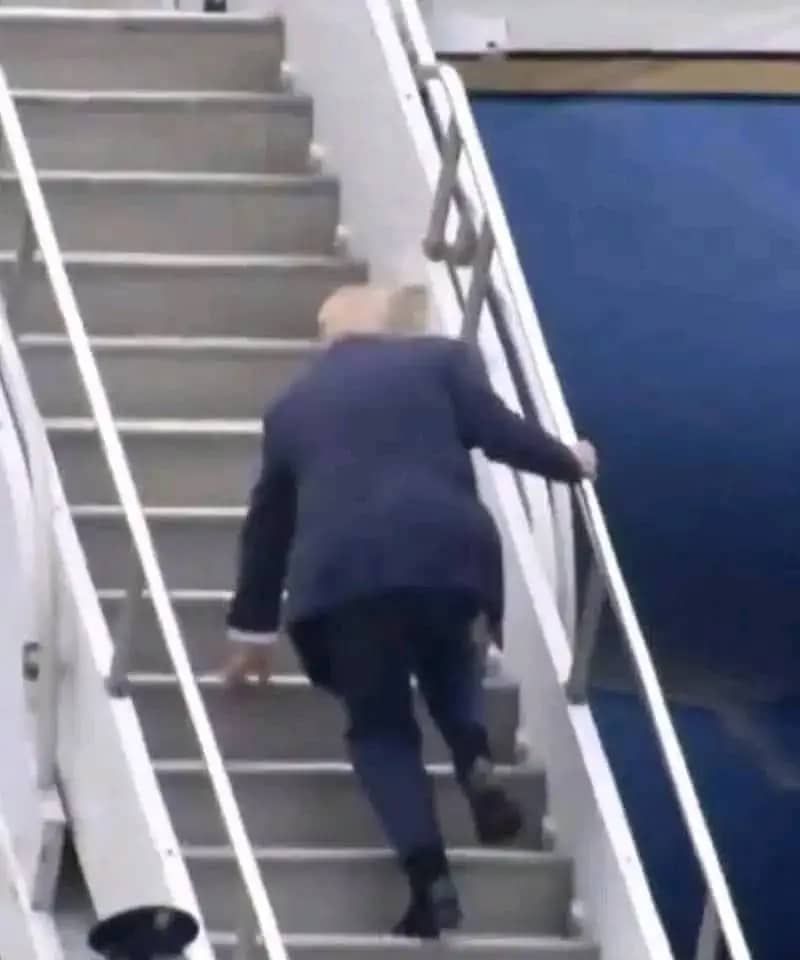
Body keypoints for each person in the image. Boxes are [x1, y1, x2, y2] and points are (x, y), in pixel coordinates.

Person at [223, 285, 597, 938]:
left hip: (343, 580)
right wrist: (570, 462)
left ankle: (431, 884)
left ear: (326, 334)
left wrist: (252, 631)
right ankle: (474, 760)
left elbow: (268, 527)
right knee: (453, 658)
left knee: (381, 731)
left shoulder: (290, 409)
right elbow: (499, 433)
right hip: (446, 555)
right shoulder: (441, 361)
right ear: (390, 325)